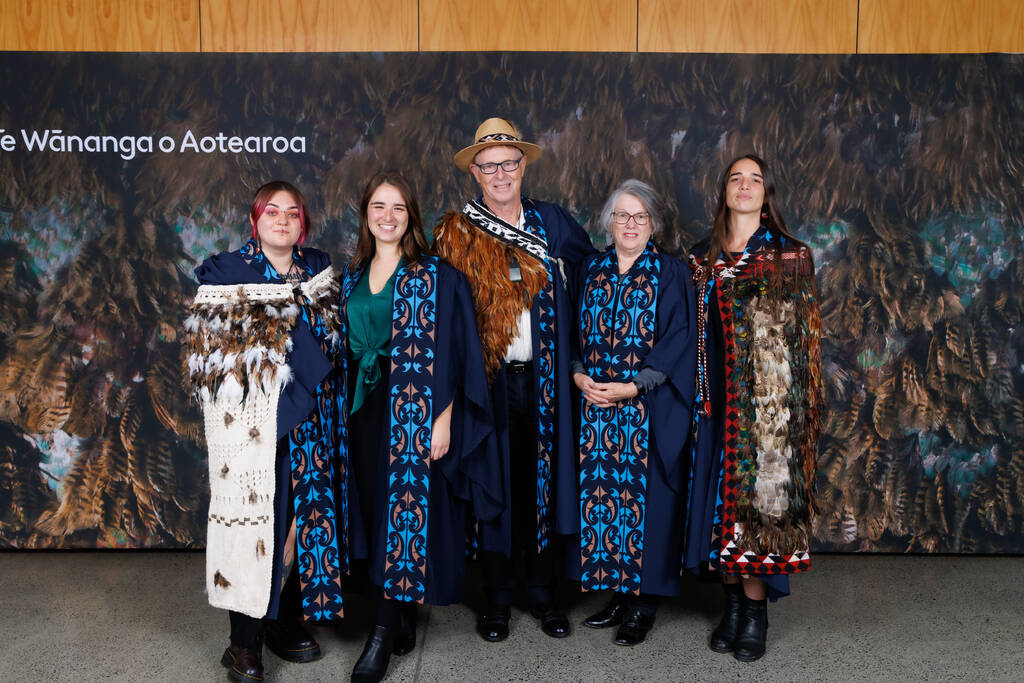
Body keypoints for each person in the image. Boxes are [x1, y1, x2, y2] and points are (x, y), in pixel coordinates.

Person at [433, 117, 595, 642]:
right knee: (496, 481)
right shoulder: (457, 232)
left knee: (541, 481)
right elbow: (446, 314)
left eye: (509, 163)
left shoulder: (555, 223)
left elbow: (594, 282)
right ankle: (498, 597)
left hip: (548, 381)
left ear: (523, 166)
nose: (500, 173)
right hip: (490, 380)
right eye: (489, 166)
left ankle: (541, 593)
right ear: (475, 173)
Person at [339, 171, 500, 682]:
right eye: (378, 207)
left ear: (411, 216)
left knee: (401, 516)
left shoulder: (436, 276)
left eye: (399, 208)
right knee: (370, 509)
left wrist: (443, 419)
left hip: (412, 413)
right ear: (366, 214)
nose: (388, 217)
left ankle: (382, 635)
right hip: (363, 412)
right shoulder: (351, 274)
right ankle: (402, 614)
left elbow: (459, 357)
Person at [184, 181, 345, 682]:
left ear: (303, 222)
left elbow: (336, 341)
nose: (282, 220)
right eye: (271, 211)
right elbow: (212, 361)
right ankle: (243, 643)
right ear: (255, 220)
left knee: (305, 518)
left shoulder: (318, 270)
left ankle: (283, 621)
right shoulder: (227, 273)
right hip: (256, 428)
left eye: (292, 212)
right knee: (258, 525)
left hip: (314, 420)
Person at [683, 154, 823, 662]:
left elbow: (803, 346)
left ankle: (755, 614)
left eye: (755, 179)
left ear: (766, 196)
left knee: (757, 511)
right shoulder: (701, 259)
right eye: (735, 178)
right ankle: (731, 608)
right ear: (724, 191)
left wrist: (790, 417)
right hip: (714, 402)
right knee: (718, 509)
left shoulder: (790, 256)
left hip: (768, 411)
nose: (744, 186)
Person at [572, 179, 697, 646]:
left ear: (653, 225)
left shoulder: (670, 273)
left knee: (649, 506)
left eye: (639, 216)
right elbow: (573, 335)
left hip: (646, 411)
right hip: (597, 413)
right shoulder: (591, 269)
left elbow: (678, 339)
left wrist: (632, 386)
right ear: (608, 221)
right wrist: (579, 376)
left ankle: (643, 605)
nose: (630, 223)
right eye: (621, 215)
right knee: (607, 504)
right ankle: (619, 595)